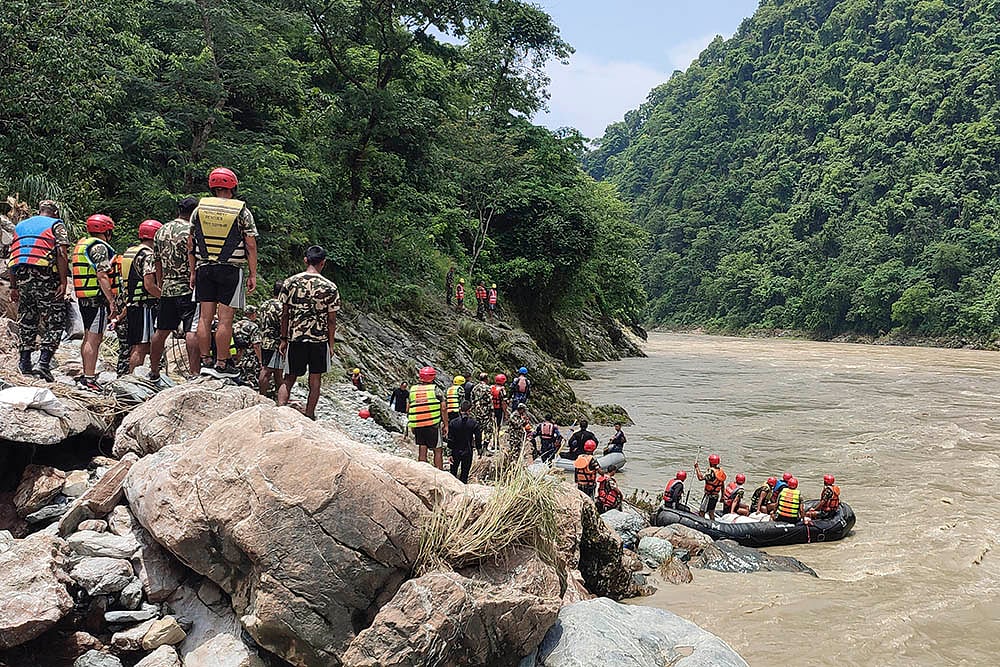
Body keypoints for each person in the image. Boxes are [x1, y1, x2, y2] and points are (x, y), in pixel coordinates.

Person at [189, 167, 258, 379]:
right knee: (225, 320)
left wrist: (192, 271)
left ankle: (205, 360)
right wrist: (252, 273)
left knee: (204, 318)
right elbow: (251, 244)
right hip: (230, 270)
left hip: (204, 268)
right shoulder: (241, 211)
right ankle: (221, 363)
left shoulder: (198, 209)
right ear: (233, 186)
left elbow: (190, 243)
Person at [8, 200, 70, 381]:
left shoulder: (21, 226)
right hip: (45, 278)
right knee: (55, 321)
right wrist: (63, 281)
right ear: (56, 213)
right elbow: (61, 254)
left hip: (22, 278)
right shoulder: (56, 225)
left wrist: (13, 286)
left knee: (27, 320)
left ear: (40, 211)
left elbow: (14, 256)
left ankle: (25, 363)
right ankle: (43, 363)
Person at [277, 245, 340, 419]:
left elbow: (285, 314)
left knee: (289, 377)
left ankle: (280, 409)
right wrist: (331, 344)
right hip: (319, 340)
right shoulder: (330, 287)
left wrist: (283, 339)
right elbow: (332, 320)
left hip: (296, 337)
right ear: (323, 263)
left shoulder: (290, 282)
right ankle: (310, 415)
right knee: (315, 380)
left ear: (305, 260)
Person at [149, 197, 200, 384]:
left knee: (161, 330)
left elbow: (157, 261)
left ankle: (153, 370)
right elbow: (195, 256)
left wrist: (162, 283)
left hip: (168, 288)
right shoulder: (192, 231)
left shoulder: (161, 231)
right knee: (191, 330)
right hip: (189, 286)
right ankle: (195, 373)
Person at [71, 214, 118, 391]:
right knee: (94, 337)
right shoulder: (99, 248)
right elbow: (102, 275)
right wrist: (111, 300)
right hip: (95, 299)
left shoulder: (83, 244)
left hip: (84, 297)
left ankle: (86, 374)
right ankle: (89, 378)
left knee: (88, 335)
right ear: (105, 231)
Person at [123, 220, 162, 372]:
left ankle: (132, 375)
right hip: (144, 306)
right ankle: (135, 378)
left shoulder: (131, 251)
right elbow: (149, 285)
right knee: (142, 346)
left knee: (136, 345)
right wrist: (164, 298)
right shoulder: (148, 255)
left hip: (132, 304)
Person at [408, 366, 447, 469]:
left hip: (418, 423)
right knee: (437, 450)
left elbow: (409, 407)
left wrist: (412, 423)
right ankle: (439, 473)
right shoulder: (436, 390)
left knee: (422, 448)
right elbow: (443, 408)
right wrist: (446, 425)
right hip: (433, 423)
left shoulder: (413, 390)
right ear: (433, 377)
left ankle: (422, 471)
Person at [257, 280, 284, 396]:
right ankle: (262, 396)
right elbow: (283, 324)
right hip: (275, 342)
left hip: (264, 340)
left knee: (277, 370)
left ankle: (279, 395)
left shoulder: (264, 305)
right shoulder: (281, 306)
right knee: (267, 370)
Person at [447, 400, 481, 483]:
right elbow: (478, 438)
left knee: (453, 474)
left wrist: (449, 453)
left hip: (455, 451)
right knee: (464, 475)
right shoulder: (473, 423)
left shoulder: (453, 423)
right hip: (467, 451)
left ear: (460, 409)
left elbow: (450, 439)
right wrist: (479, 450)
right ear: (469, 410)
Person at [232, 306, 261, 387]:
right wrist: (260, 360)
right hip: (249, 359)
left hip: (236, 357)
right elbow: (256, 345)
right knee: (252, 383)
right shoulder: (253, 326)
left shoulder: (235, 325)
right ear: (252, 314)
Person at [694, 454, 727, 521]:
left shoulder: (711, 472)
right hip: (716, 495)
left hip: (709, 496)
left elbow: (700, 478)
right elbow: (722, 485)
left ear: (710, 462)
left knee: (702, 512)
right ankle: (713, 524)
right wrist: (722, 496)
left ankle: (702, 524)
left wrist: (697, 468)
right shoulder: (720, 471)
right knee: (711, 512)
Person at [470, 372, 495, 452]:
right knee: (488, 430)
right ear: (486, 379)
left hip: (477, 412)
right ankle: (485, 447)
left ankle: (478, 447)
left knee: (478, 429)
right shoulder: (487, 388)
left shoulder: (475, 388)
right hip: (486, 412)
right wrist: (492, 411)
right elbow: (490, 400)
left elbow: (472, 399)